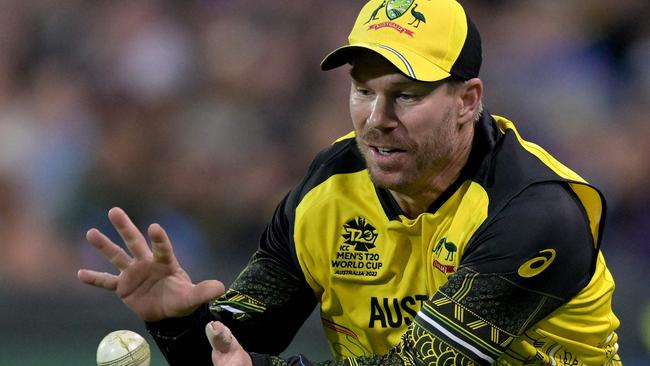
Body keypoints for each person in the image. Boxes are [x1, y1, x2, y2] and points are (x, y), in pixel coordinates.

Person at [77, 0, 623, 365]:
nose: (375, 117)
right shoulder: (327, 193)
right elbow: (231, 352)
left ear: (468, 101)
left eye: (405, 94)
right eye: (363, 90)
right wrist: (179, 325)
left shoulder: (536, 211)